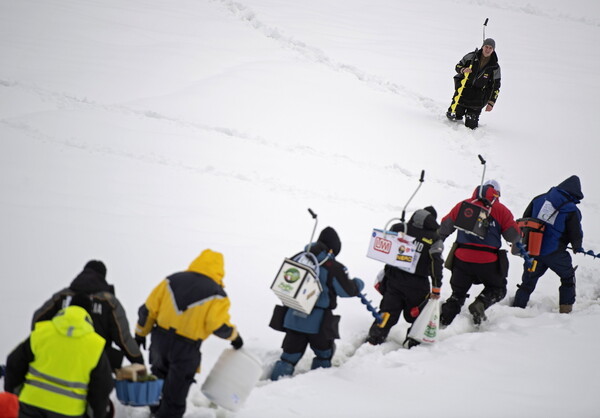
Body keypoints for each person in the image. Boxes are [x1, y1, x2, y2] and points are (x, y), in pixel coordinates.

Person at [135, 249, 243, 418]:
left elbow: (147, 310)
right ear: (220, 270)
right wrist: (235, 337)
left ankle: (153, 413)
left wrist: (140, 333)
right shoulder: (218, 294)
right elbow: (218, 325)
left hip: (159, 341)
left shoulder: (171, 280)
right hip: (186, 348)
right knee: (175, 393)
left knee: (157, 381)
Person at [269, 227, 364, 381]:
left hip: (293, 315)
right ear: (333, 249)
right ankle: (317, 385)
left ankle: (273, 384)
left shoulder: (299, 257)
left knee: (288, 356)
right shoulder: (333, 266)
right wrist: (358, 284)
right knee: (324, 355)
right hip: (318, 323)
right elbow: (347, 290)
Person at [31, 260, 144, 370]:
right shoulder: (109, 301)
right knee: (113, 359)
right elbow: (123, 337)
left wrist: (43, 345)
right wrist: (138, 361)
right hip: (95, 362)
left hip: (59, 357)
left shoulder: (62, 296)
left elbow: (38, 318)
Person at [4, 305, 113, 418]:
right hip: (70, 411)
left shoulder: (42, 333)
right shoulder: (95, 345)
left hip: (31, 404)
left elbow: (14, 363)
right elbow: (102, 387)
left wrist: (13, 394)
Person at [438, 180, 522, 326]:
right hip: (488, 262)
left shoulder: (463, 206)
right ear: (497, 193)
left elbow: (444, 228)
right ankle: (481, 303)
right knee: (498, 288)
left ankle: (443, 321)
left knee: (457, 294)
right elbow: (513, 237)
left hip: (461, 260)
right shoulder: (501, 210)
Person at [366, 207, 444, 348]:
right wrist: (436, 286)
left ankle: (374, 338)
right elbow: (436, 262)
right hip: (418, 285)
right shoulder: (434, 238)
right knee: (418, 315)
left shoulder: (400, 227)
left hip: (395, 279)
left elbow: (388, 249)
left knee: (387, 311)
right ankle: (413, 342)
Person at [512, 176, 584, 313]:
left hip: (533, 249)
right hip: (555, 253)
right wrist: (577, 246)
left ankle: (516, 309)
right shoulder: (571, 209)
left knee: (527, 283)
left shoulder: (538, 199)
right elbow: (575, 233)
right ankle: (565, 310)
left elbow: (525, 220)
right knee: (568, 277)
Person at [446, 38, 501, 129]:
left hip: (478, 97)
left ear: (493, 50)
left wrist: (491, 102)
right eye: (486, 47)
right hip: (463, 92)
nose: (487, 50)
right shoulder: (471, 57)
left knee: (471, 125)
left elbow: (496, 86)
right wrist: (463, 70)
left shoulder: (495, 67)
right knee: (453, 117)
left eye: (490, 48)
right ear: (482, 47)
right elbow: (458, 66)